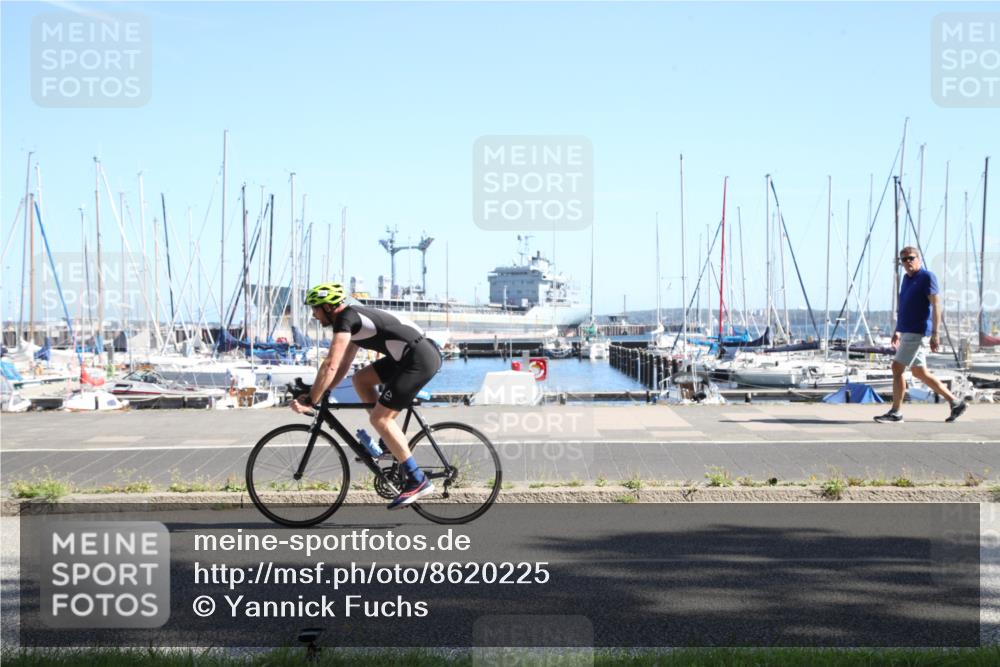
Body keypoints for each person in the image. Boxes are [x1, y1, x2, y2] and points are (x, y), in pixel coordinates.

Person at [290, 282, 442, 508]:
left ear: (329, 307)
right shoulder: (352, 319)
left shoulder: (345, 320)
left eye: (315, 308)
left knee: (380, 418)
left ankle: (417, 479)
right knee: (360, 380)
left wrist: (313, 398)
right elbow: (342, 366)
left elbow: (330, 363)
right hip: (409, 355)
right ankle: (389, 445)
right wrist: (325, 391)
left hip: (417, 359)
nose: (313, 314)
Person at [874, 247, 967, 423]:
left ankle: (896, 412)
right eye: (903, 260)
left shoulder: (927, 277)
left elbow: (936, 305)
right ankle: (956, 402)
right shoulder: (906, 279)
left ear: (919, 259)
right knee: (919, 372)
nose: (907, 262)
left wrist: (935, 333)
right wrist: (898, 330)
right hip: (907, 330)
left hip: (917, 331)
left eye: (910, 258)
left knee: (896, 368)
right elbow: (904, 306)